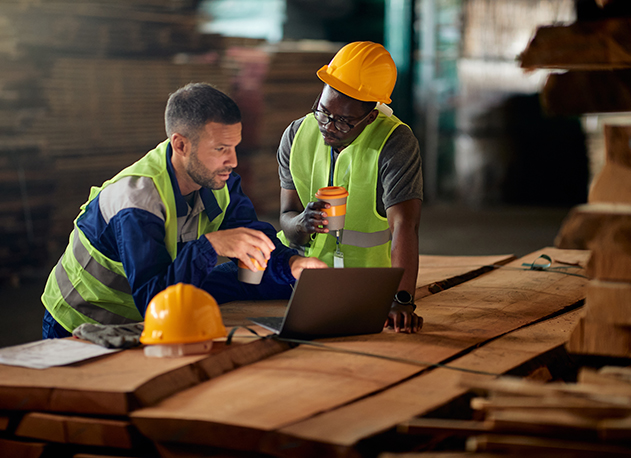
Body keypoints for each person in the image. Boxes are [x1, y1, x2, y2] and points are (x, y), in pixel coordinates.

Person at [42, 82, 326, 339]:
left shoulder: (219, 180)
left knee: (260, 279)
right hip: (80, 322)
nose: (233, 161)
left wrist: (290, 265)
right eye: (220, 148)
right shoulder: (136, 201)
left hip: (152, 311)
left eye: (235, 147)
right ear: (180, 144)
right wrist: (210, 246)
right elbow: (153, 300)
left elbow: (252, 237)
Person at [276, 41, 423, 333]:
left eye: (343, 122)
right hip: (298, 275)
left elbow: (405, 225)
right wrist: (302, 224)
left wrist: (401, 299)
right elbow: (285, 218)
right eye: (323, 111)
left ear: (370, 117)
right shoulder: (296, 136)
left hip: (364, 285)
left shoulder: (394, 143)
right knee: (225, 279)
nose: (328, 126)